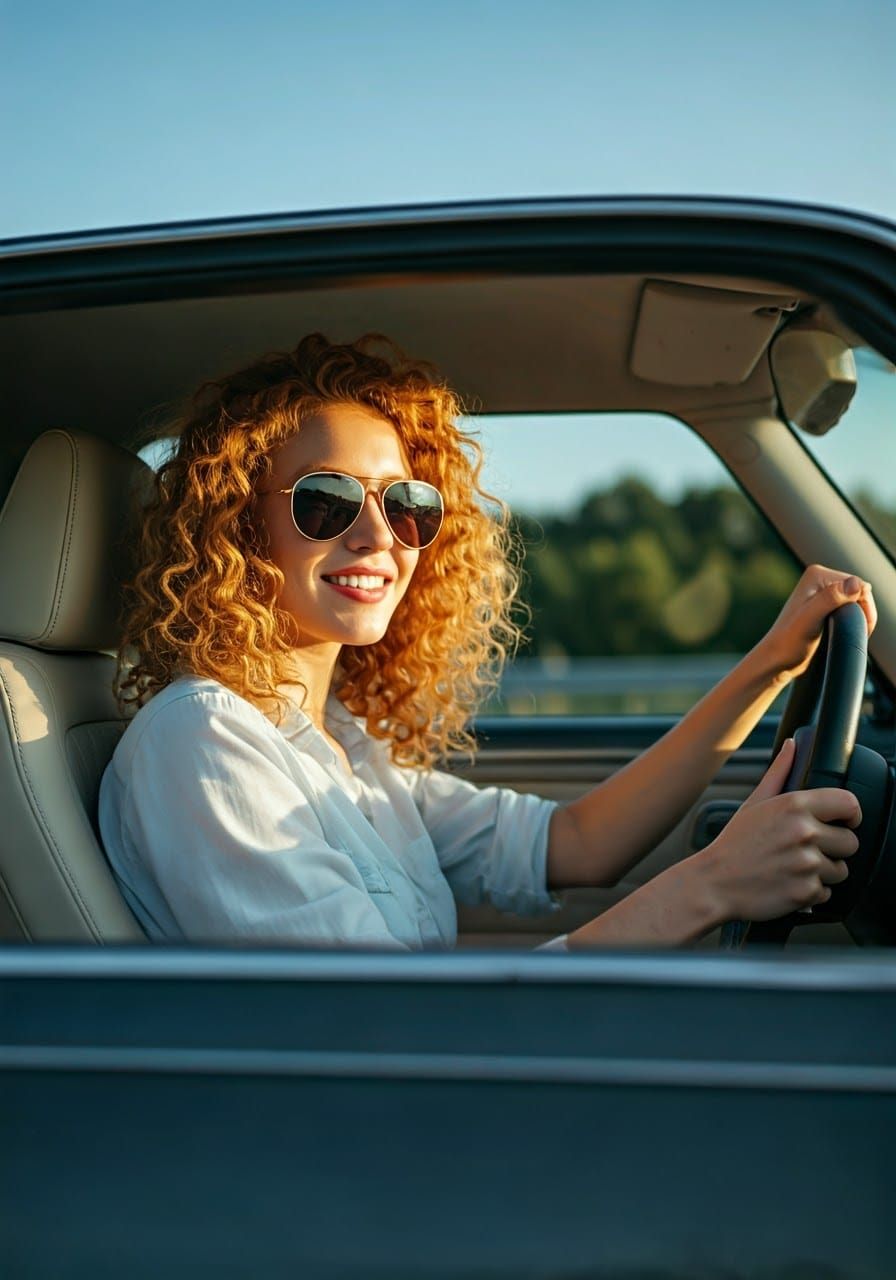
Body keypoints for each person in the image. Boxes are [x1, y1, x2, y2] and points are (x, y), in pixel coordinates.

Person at [98, 334, 876, 950]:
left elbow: (574, 845)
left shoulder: (338, 742)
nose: (379, 537)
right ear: (239, 525)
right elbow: (386, 1029)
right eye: (327, 500)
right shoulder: (202, 742)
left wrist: (772, 664)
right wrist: (715, 885)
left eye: (407, 504)